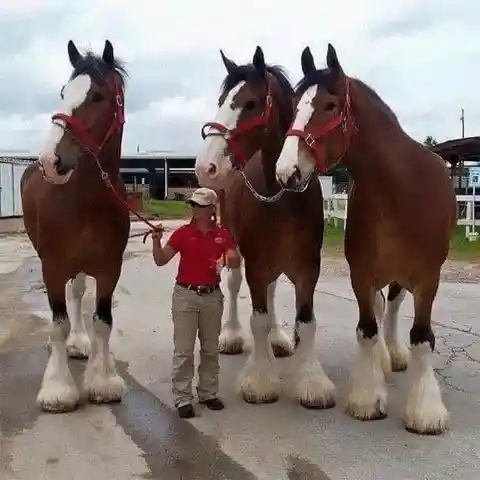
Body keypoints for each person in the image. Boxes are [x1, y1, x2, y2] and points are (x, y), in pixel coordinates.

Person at [151, 187, 241, 418]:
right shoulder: (182, 233)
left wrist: (226, 257)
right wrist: (156, 242)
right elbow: (161, 260)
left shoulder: (223, 233)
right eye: (193, 204)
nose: (194, 208)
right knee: (184, 351)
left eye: (199, 205)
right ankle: (182, 398)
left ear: (212, 209)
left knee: (211, 349)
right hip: (185, 296)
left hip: (212, 296)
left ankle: (208, 393)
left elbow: (234, 259)